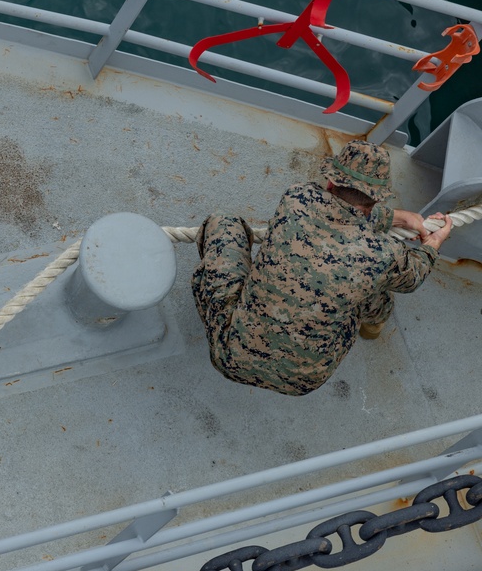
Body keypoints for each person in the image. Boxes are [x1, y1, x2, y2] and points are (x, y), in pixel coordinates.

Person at [191, 139, 453, 396]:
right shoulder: (385, 254)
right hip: (304, 381)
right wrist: (432, 244)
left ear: (331, 181)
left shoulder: (296, 198)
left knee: (223, 222)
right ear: (377, 200)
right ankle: (373, 326)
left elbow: (337, 208)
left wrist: (395, 217)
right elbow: (413, 277)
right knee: (371, 284)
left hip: (230, 357)